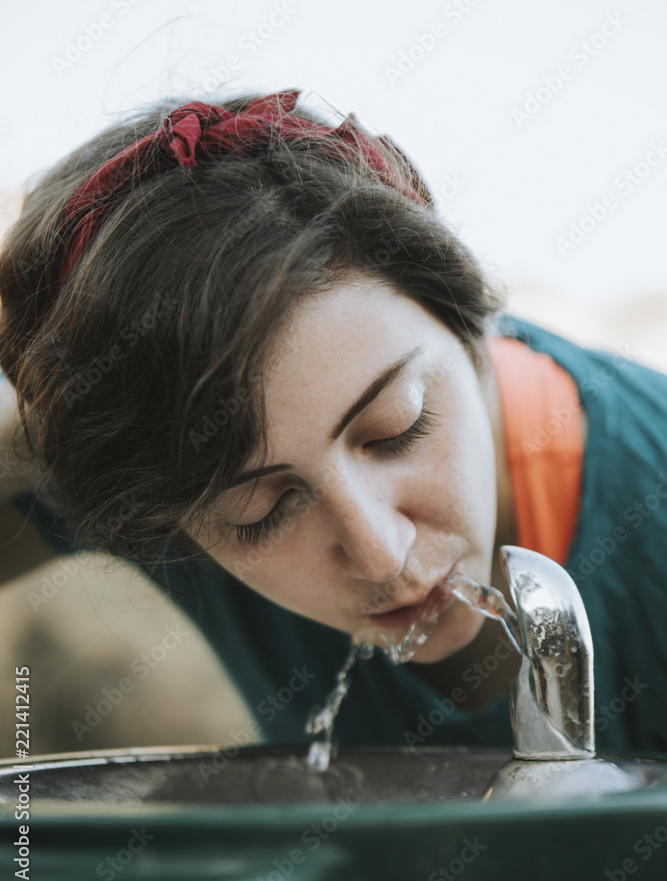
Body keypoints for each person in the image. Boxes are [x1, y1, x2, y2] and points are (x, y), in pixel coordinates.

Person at [0, 88, 665, 756]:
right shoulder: (172, 479)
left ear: (467, 326)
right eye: (259, 510)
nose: (380, 553)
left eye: (397, 427)